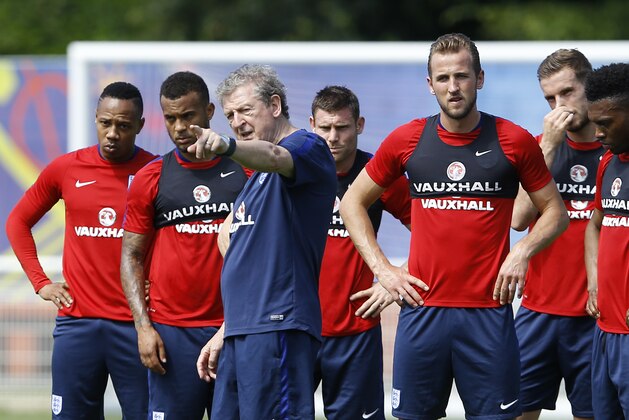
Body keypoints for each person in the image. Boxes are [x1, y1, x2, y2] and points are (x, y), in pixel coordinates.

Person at [339, 33, 569, 419]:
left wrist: (521, 252)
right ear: (430, 85)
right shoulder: (407, 139)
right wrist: (384, 270)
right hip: (422, 312)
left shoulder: (513, 141)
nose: (453, 87)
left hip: (488, 315)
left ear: (479, 78)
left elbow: (555, 213)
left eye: (461, 76)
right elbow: (351, 202)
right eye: (443, 79)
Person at [192, 64, 337, 419]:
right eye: (229, 115)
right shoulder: (255, 180)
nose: (237, 121)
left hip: (278, 324)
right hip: (243, 331)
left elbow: (275, 157)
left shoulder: (306, 146)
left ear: (274, 105)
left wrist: (226, 146)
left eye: (245, 110)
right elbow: (243, 252)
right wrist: (226, 331)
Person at [5, 82, 155, 419]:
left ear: (140, 126)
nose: (113, 133)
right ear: (96, 119)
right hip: (78, 325)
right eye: (106, 123)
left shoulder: (155, 172)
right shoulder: (67, 169)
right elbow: (17, 222)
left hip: (138, 327)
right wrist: (41, 282)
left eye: (124, 125)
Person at [119, 71, 248, 419]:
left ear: (208, 111)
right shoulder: (151, 176)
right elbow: (131, 255)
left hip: (234, 329)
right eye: (171, 118)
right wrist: (143, 328)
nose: (178, 127)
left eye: (188, 116)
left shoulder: (245, 171)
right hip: (172, 334)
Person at [309, 85, 411, 420]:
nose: (333, 137)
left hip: (356, 329)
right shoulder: (295, 172)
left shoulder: (377, 175)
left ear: (360, 125)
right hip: (298, 329)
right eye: (325, 128)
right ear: (312, 125)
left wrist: (393, 277)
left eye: (342, 127)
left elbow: (431, 231)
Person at [511, 49, 601, 420]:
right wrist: (547, 147)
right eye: (550, 98)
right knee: (513, 412)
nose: (558, 105)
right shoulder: (538, 147)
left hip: (597, 317)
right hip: (538, 313)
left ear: (589, 87)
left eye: (567, 92)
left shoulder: (617, 152)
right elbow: (518, 218)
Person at [584, 62, 629, 419]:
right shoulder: (607, 163)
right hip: (605, 329)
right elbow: (595, 224)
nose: (597, 132)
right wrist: (595, 280)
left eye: (605, 123)